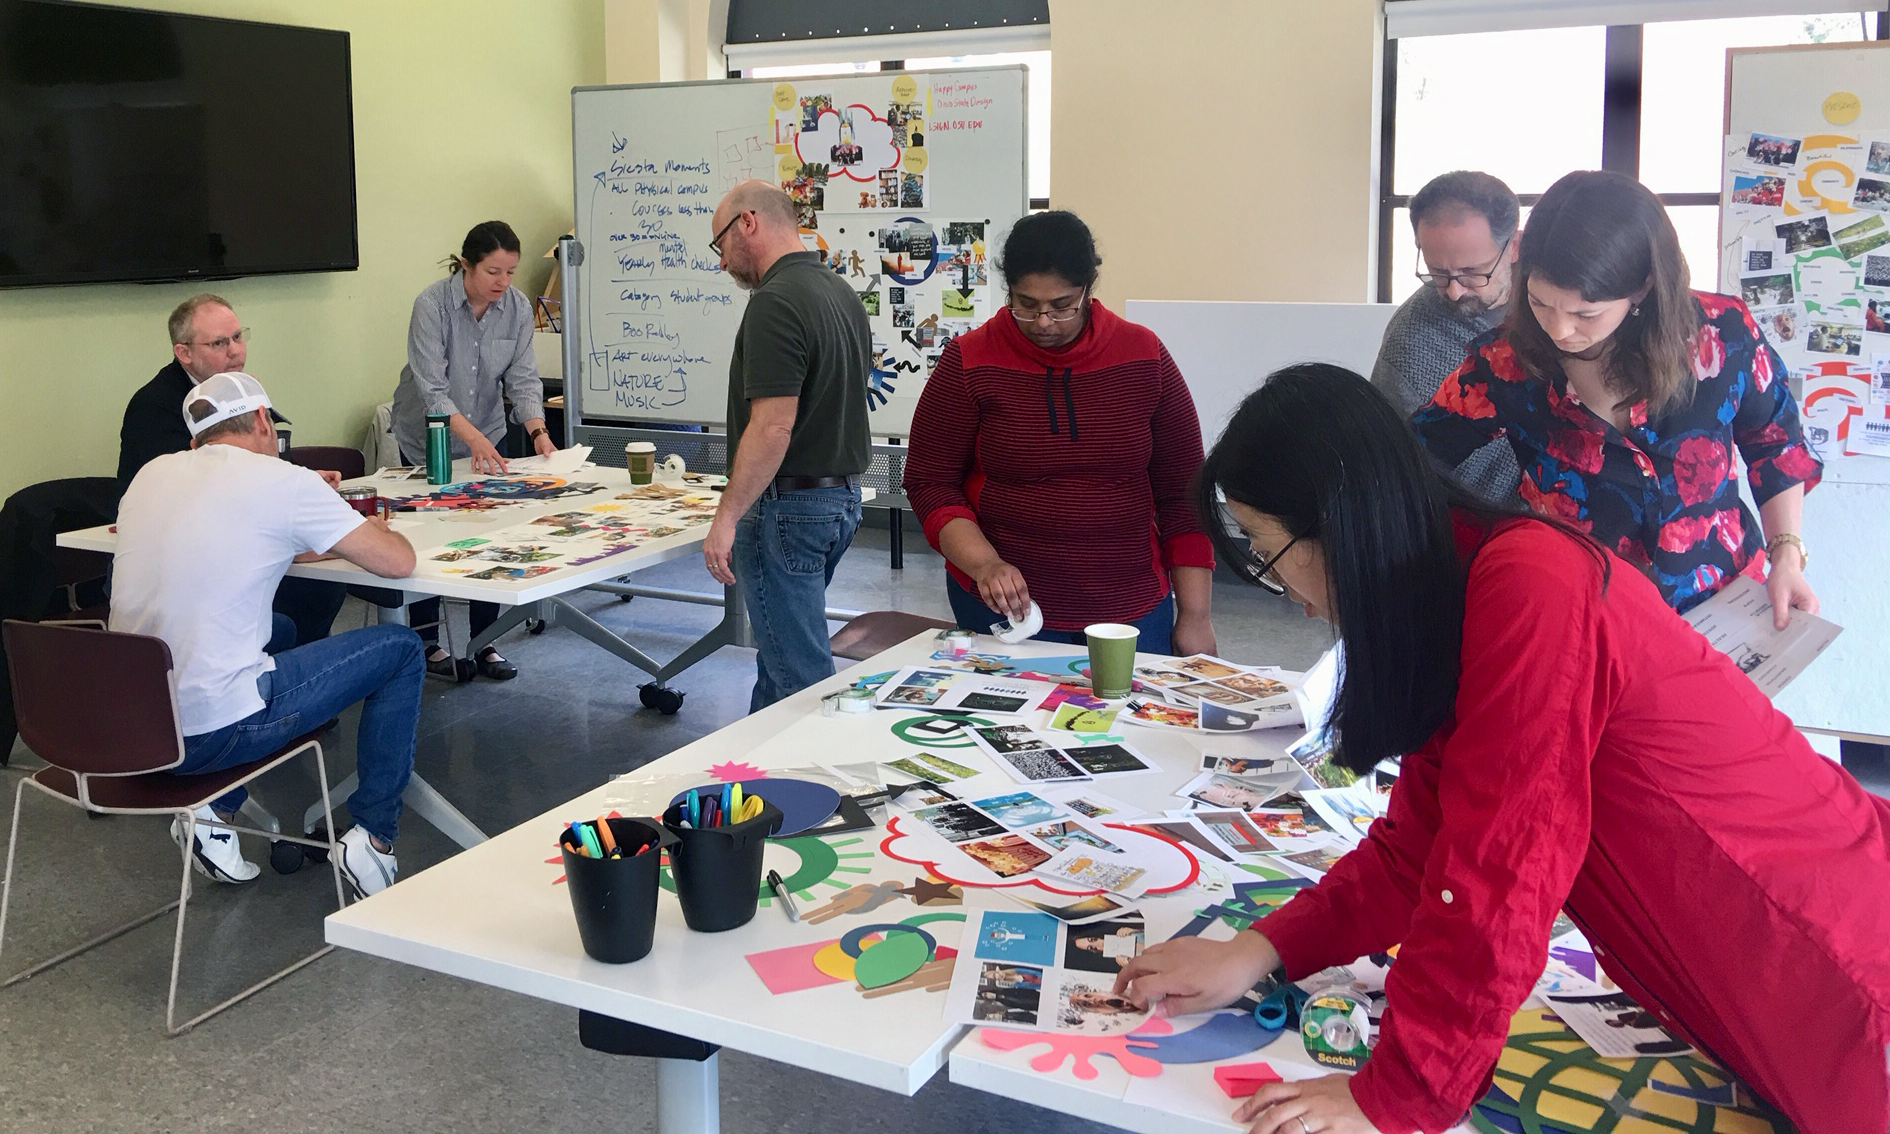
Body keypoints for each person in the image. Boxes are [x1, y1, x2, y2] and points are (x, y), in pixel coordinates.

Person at [1112, 362, 1890, 1134]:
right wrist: (1256, 952)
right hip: (1751, 986)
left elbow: (1500, 861)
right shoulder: (1453, 586)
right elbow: (1421, 844)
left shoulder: (1527, 582)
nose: (1284, 595)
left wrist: (1399, 1093)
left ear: (1339, 523)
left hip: (1840, 963)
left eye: (1266, 552)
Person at [1412, 171, 1821, 623]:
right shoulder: (1505, 362)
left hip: (1722, 605)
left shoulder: (1723, 334)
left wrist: (1786, 554)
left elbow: (1776, 446)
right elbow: (1414, 455)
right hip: (1587, 617)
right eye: (1540, 302)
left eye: (1586, 313)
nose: (1560, 329)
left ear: (1642, 287)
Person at [110, 373, 427, 897]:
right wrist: (358, 525)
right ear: (263, 421)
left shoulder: (151, 475)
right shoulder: (284, 481)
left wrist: (317, 527)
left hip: (132, 729)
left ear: (196, 441)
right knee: (400, 651)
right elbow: (398, 561)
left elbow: (262, 543)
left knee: (279, 630)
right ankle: (373, 836)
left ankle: (216, 811)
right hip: (210, 733)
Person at [903, 211, 1215, 656]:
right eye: (1025, 304)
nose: (1043, 322)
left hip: (1130, 607)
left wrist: (1196, 618)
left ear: (1089, 290)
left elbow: (1183, 492)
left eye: (1062, 305)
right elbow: (931, 482)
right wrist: (985, 563)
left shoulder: (1144, 356)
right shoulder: (969, 362)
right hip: (1007, 610)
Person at [703, 181, 869, 711]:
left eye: (721, 244)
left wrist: (727, 516)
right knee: (778, 661)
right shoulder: (839, 292)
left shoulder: (774, 302)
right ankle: (758, 783)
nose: (724, 261)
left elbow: (773, 428)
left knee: (800, 680)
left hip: (787, 509)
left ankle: (814, 789)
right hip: (837, 501)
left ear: (747, 223)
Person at [118, 294, 347, 647]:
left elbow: (251, 467)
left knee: (320, 586)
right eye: (220, 343)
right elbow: (199, 490)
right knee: (310, 588)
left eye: (238, 337)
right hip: (188, 566)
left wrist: (302, 479)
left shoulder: (232, 391)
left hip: (227, 544)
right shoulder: (156, 406)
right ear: (184, 353)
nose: (235, 352)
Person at [390, 221, 555, 681]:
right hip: (429, 438)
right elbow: (433, 392)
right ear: (467, 265)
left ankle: (485, 641)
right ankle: (425, 643)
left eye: (510, 272)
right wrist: (475, 439)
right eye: (492, 272)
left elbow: (522, 378)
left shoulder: (518, 309)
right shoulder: (432, 305)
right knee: (426, 533)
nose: (503, 283)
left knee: (487, 534)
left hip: (487, 430)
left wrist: (539, 432)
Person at [1369, 171, 1523, 504]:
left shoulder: (1561, 312)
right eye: (1438, 273)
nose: (1454, 292)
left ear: (1514, 247)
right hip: (1471, 527)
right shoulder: (1410, 342)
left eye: (1472, 273)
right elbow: (1396, 473)